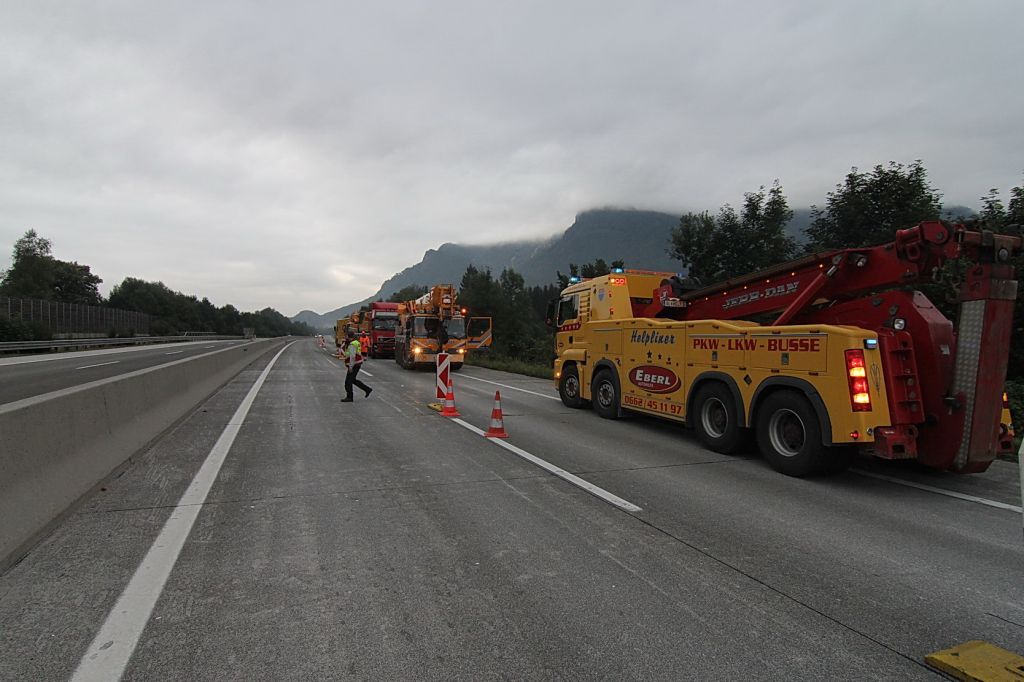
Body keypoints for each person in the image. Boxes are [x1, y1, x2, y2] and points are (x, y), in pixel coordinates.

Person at [341, 329, 372, 402]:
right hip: (357, 364)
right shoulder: (356, 342)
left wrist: (350, 367)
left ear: (348, 336)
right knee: (353, 380)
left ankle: (349, 397)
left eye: (346, 336)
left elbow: (352, 356)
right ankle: (367, 389)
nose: (345, 337)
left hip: (354, 364)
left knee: (348, 382)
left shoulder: (352, 344)